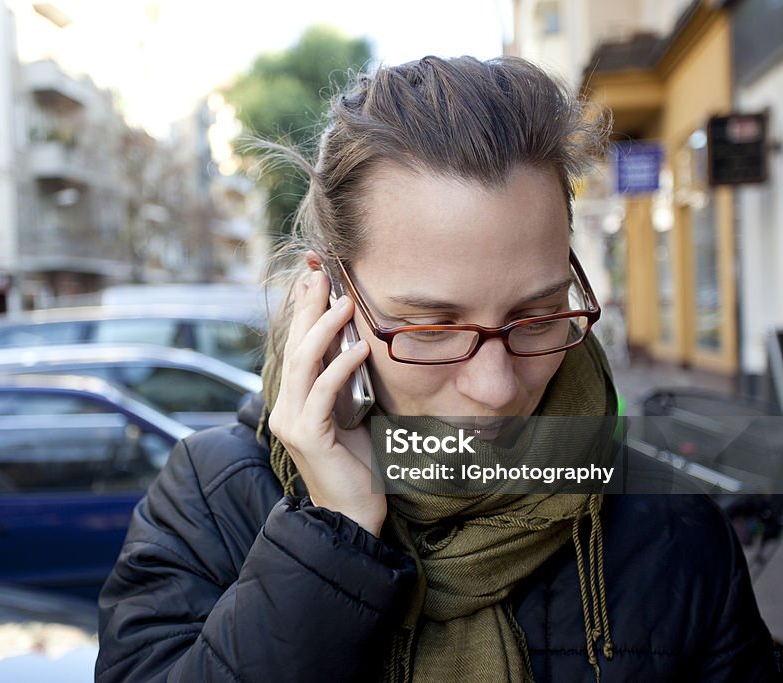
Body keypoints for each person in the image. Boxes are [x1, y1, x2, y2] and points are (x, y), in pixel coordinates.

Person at [95, 55, 778, 682]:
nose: (496, 388)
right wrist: (331, 536)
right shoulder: (211, 503)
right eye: (430, 328)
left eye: (536, 316)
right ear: (330, 296)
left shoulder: (670, 525)